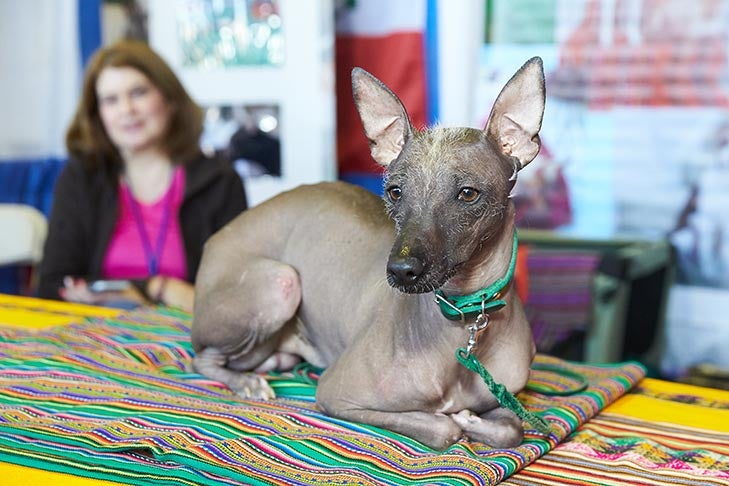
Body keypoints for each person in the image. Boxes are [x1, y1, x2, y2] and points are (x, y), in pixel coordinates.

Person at [37, 40, 247, 312]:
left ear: (170, 100)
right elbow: (52, 285)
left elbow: (237, 292)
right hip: (95, 337)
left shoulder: (220, 181)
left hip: (188, 338)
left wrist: (125, 291)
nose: (126, 110)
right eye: (110, 100)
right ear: (98, 114)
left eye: (138, 93)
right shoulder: (82, 177)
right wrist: (160, 288)